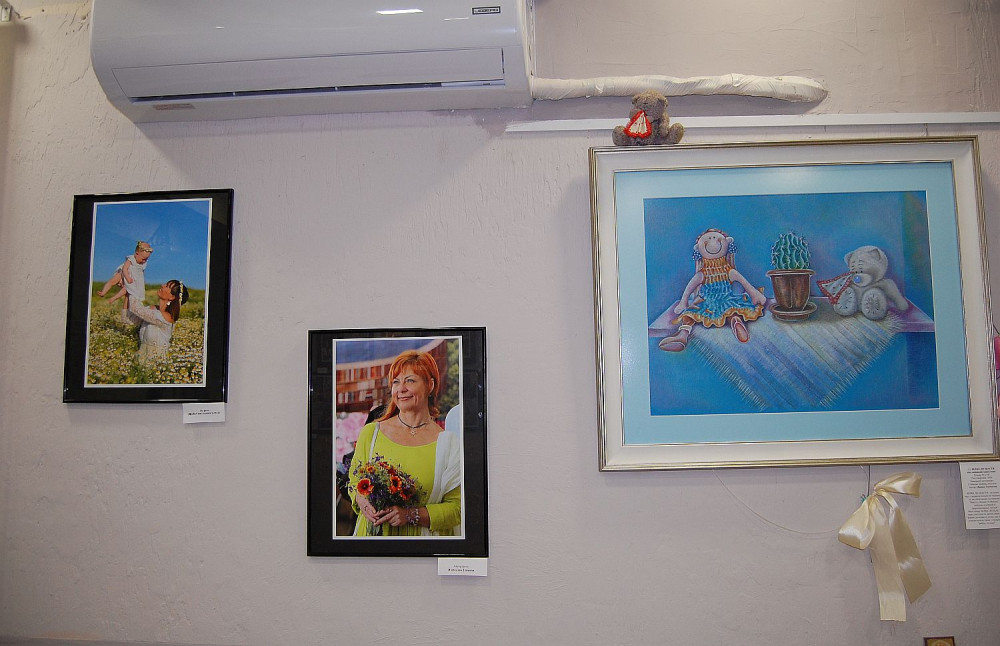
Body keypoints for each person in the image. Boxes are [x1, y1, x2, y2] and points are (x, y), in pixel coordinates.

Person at [348, 349, 462, 537]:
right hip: (371, 542)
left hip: (421, 545)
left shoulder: (449, 445)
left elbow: (457, 509)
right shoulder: (371, 433)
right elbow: (353, 483)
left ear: (430, 385)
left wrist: (410, 515)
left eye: (410, 380)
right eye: (396, 382)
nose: (401, 389)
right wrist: (362, 501)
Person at [659, 228, 766, 352]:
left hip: (707, 304)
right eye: (708, 239)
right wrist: (754, 293)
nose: (712, 240)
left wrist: (684, 302)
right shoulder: (728, 271)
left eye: (715, 238)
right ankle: (735, 321)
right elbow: (745, 283)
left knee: (691, 314)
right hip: (726, 301)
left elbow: (689, 289)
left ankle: (683, 335)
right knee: (731, 310)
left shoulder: (703, 274)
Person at [121, 279, 188, 361]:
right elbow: (127, 319)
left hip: (157, 360)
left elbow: (136, 309)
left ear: (172, 297)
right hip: (141, 356)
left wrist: (131, 289)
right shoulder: (152, 309)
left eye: (167, 286)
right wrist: (128, 295)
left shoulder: (167, 317)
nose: (162, 285)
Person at [97, 241, 153, 307]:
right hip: (124, 273)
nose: (144, 261)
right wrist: (127, 277)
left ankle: (114, 299)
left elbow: (141, 272)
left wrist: (141, 280)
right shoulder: (131, 259)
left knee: (127, 290)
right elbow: (124, 268)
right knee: (113, 281)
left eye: (146, 259)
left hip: (133, 278)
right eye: (143, 259)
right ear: (136, 254)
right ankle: (103, 292)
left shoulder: (144, 263)